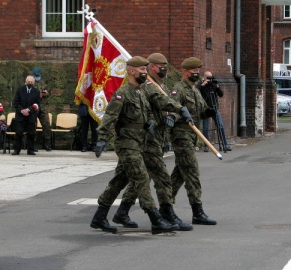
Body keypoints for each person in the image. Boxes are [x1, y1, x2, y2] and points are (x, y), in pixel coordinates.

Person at [90, 56, 190, 235]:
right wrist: (102, 139)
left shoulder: (141, 93)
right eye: (142, 70)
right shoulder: (123, 93)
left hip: (141, 142)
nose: (145, 73)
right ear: (132, 71)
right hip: (127, 144)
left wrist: (151, 121)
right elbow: (110, 116)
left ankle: (99, 216)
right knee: (142, 179)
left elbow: (148, 112)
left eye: (146, 70)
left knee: (119, 181)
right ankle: (155, 219)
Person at [169, 57, 217, 225]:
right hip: (181, 136)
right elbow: (172, 110)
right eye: (193, 71)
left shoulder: (195, 90)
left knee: (180, 173)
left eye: (198, 71)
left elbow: (200, 110)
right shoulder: (179, 89)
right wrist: (176, 116)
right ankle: (197, 211)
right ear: (185, 72)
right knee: (192, 171)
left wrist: (208, 112)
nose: (196, 74)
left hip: (192, 136)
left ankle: (165, 203)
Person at [196, 70, 231, 152]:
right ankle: (206, 146)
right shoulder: (201, 84)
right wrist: (202, 85)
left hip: (214, 108)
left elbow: (221, 94)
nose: (210, 79)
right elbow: (195, 91)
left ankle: (225, 144)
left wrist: (217, 87)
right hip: (205, 109)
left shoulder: (213, 84)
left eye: (211, 77)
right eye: (208, 78)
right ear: (204, 78)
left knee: (220, 126)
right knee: (205, 128)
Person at [11, 75, 41, 156]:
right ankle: (16, 150)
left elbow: (37, 104)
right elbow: (16, 103)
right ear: (26, 81)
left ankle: (30, 150)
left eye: (31, 81)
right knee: (19, 133)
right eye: (29, 81)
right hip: (20, 116)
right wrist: (22, 110)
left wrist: (29, 110)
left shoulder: (36, 91)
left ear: (34, 83)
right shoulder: (20, 90)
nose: (30, 82)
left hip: (31, 116)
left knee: (31, 133)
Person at [32, 67, 52, 151]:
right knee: (33, 125)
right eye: (36, 75)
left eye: (38, 75)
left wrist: (46, 94)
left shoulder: (44, 83)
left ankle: (47, 142)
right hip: (33, 106)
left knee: (46, 124)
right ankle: (33, 143)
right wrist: (37, 95)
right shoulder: (30, 83)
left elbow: (48, 94)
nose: (37, 76)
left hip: (42, 106)